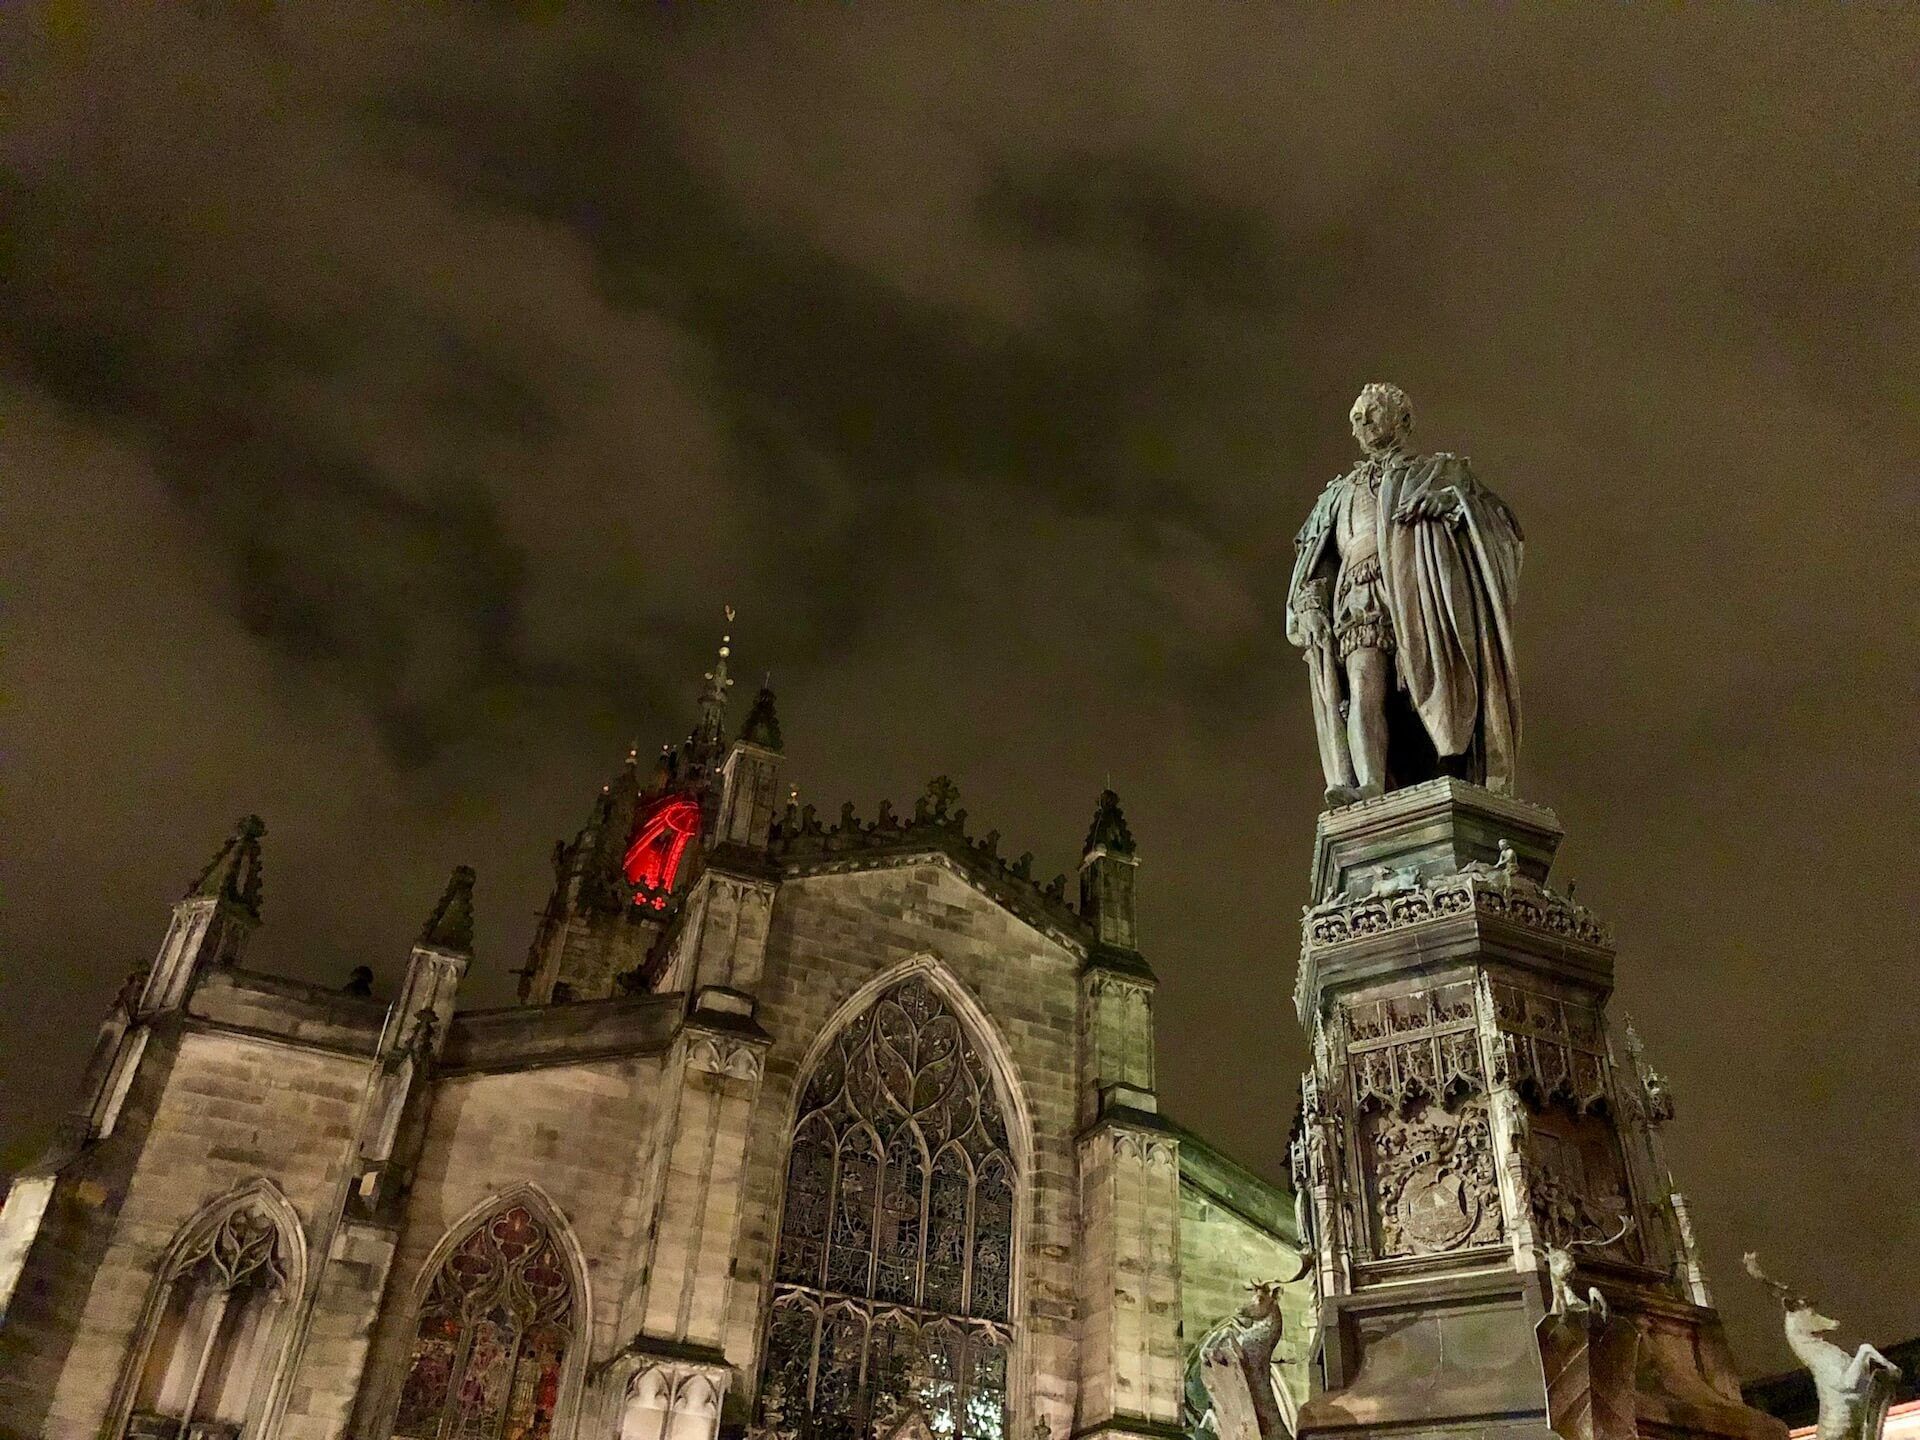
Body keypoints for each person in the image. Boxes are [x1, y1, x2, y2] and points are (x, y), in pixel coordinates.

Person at [1285, 384, 1524, 804]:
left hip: (1421, 593)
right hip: (1358, 592)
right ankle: (1370, 784)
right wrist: (1307, 601)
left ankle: (1448, 771)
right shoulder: (1336, 495)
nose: (1362, 423)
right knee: (1362, 684)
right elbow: (1311, 560)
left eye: (1372, 413)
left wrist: (1448, 505)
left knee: (1427, 683)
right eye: (1356, 418)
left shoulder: (1436, 472)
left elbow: (1502, 528)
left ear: (1403, 421)